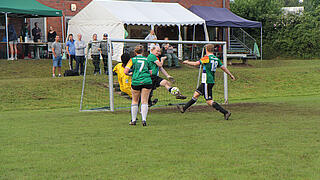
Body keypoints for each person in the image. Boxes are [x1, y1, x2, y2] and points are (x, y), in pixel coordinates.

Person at [177, 44, 236, 120]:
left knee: (209, 101)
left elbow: (196, 64)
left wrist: (187, 62)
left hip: (207, 81)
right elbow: (223, 68)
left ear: (206, 49)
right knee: (196, 94)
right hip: (209, 81)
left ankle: (225, 112)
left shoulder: (207, 58)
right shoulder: (216, 59)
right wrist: (230, 74)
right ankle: (183, 109)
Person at [124, 45, 152, 126]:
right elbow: (150, 72)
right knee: (144, 101)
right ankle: (144, 119)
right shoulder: (147, 60)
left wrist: (131, 74)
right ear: (143, 52)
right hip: (146, 81)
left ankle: (133, 120)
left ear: (135, 52)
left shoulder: (132, 60)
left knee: (135, 100)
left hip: (136, 81)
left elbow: (126, 71)